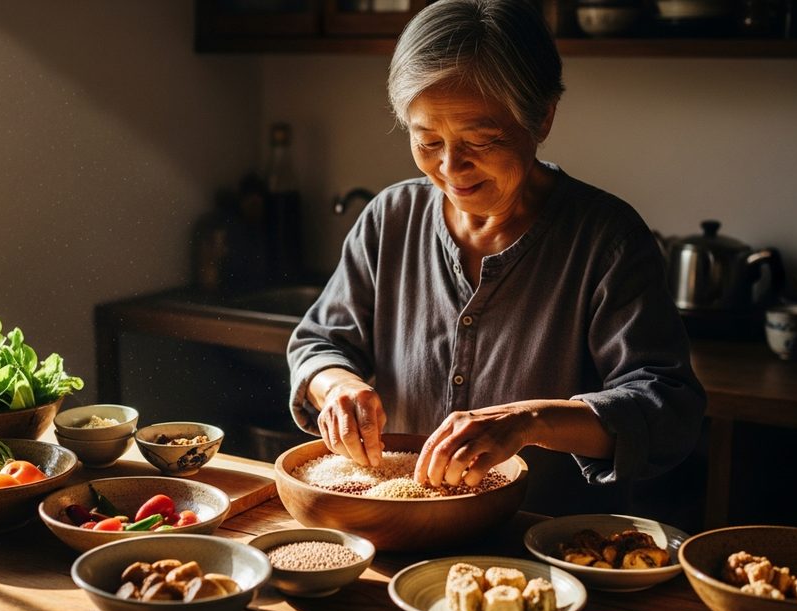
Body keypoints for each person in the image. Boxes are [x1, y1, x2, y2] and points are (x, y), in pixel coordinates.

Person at [286, 0, 706, 516]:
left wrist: (530, 421)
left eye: (481, 140)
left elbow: (669, 407)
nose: (450, 166)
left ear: (542, 117)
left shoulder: (606, 239)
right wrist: (338, 386)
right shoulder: (390, 217)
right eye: (427, 140)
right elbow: (320, 341)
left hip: (545, 547)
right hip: (402, 531)